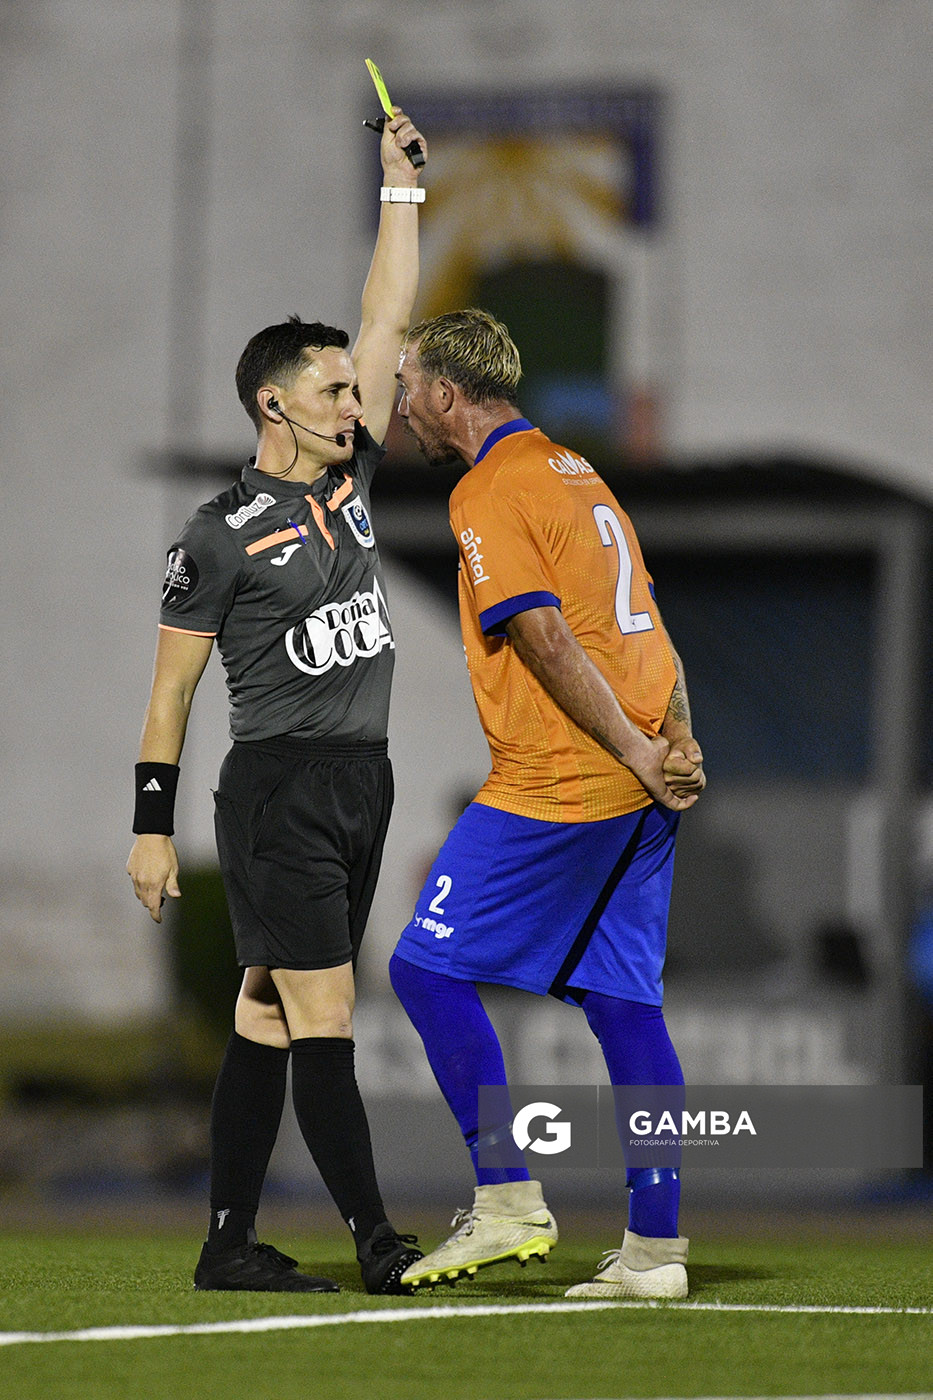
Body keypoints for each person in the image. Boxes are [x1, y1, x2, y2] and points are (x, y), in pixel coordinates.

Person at [126, 109, 428, 1295]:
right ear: (273, 407)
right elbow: (169, 696)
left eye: (357, 388)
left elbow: (391, 314)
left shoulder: (350, 484)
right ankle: (377, 1237)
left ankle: (226, 1240)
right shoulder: (216, 535)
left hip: (365, 780)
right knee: (327, 1010)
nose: (358, 400)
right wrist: (152, 831)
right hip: (281, 792)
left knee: (264, 1013)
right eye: (336, 390)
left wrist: (399, 189)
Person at [389, 309, 705, 1300]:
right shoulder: (576, 470)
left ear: (446, 392)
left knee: (423, 969)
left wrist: (631, 751)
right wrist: (676, 740)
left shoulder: (488, 488)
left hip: (564, 781)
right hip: (643, 773)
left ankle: (506, 1192)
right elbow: (646, 619)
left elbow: (543, 635)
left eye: (406, 385)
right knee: (625, 1003)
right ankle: (654, 1248)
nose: (398, 404)